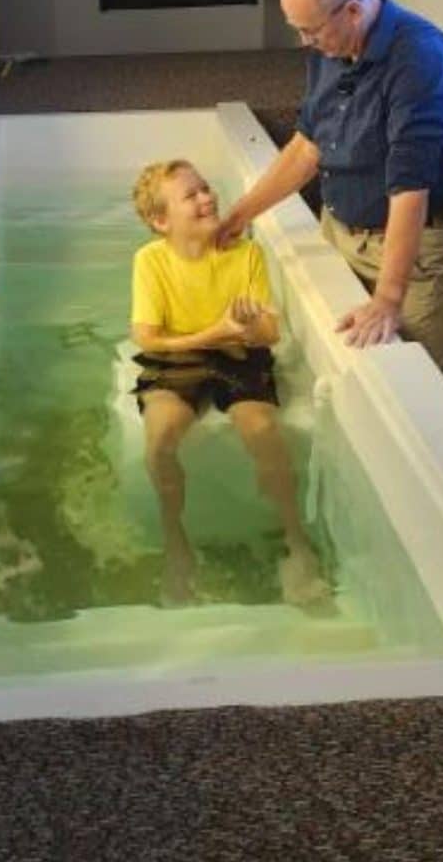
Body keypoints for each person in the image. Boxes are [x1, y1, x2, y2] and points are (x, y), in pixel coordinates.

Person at [217, 0, 443, 374]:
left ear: (352, 10)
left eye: (311, 31)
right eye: (298, 30)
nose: (305, 42)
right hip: (340, 230)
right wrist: (241, 214)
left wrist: (388, 299)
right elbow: (308, 146)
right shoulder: (330, 48)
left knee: (412, 377)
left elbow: (410, 187)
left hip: (409, 253)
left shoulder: (420, 58)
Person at [130, 159, 327, 606]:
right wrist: (214, 333)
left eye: (205, 188)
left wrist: (247, 328)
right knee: (159, 439)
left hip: (238, 355)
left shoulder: (246, 253)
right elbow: (148, 337)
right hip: (177, 357)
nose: (207, 198)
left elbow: (270, 333)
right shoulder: (150, 261)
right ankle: (175, 541)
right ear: (161, 221)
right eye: (191, 195)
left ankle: (295, 538)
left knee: (262, 428)